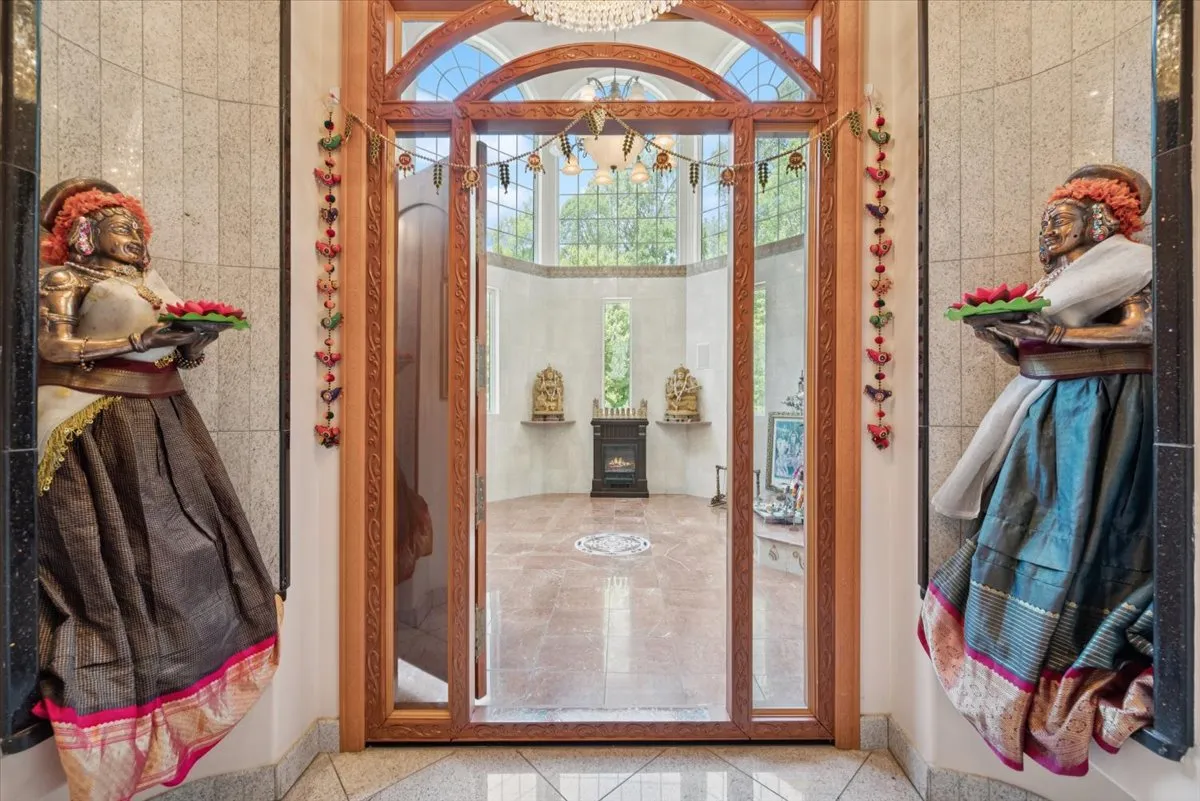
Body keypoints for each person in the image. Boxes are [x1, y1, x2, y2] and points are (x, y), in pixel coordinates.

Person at [34, 179, 280, 801]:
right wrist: (136, 342)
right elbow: (52, 346)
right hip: (95, 423)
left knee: (192, 546)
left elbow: (171, 353)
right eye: (118, 223)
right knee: (117, 558)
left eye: (135, 225)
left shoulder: (149, 282)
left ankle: (196, 669)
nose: (133, 233)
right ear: (84, 232)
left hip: (163, 416)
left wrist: (192, 340)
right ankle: (119, 703)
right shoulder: (67, 280)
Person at [920, 165, 1155, 776]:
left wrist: (1043, 330)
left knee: (1074, 534)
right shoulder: (1067, 282)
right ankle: (1000, 645)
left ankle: (1054, 657)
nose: (1049, 230)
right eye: (1046, 221)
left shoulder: (1133, 264)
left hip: (1101, 421)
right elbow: (1039, 341)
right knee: (1018, 527)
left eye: (1061, 219)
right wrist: (1007, 333)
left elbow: (1147, 331)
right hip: (1051, 409)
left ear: (1100, 219)